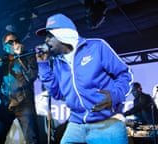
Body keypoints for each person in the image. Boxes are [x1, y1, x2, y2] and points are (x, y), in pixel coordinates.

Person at [35, 13, 133, 144]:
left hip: (106, 122)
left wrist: (115, 95)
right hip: (76, 124)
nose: (46, 41)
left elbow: (125, 74)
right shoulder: (57, 62)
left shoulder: (96, 47)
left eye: (50, 36)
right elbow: (57, 94)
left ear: (63, 34)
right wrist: (43, 65)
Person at [0, 32, 39, 144]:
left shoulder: (28, 56)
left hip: (24, 103)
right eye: (11, 42)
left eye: (17, 40)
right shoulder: (1, 60)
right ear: (4, 46)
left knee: (32, 139)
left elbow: (31, 76)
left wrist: (19, 57)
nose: (15, 43)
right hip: (6, 105)